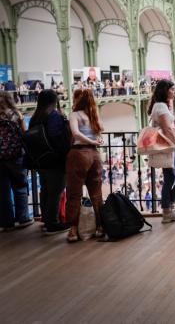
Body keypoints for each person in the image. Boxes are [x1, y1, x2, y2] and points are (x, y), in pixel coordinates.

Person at [26, 89, 71, 235]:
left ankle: (46, 220)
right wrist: (64, 152)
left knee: (45, 190)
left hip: (40, 160)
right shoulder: (53, 116)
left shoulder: (35, 117)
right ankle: (52, 223)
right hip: (54, 160)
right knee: (56, 191)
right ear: (54, 101)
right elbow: (56, 136)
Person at [65, 89, 104, 242]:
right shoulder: (93, 115)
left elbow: (75, 133)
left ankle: (73, 230)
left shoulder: (75, 115)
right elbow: (101, 129)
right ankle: (100, 227)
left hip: (79, 154)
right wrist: (94, 141)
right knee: (96, 194)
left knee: (74, 193)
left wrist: (89, 140)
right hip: (95, 156)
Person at [148, 79, 175, 224]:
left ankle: (168, 209)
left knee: (171, 179)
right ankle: (167, 209)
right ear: (165, 91)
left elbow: (169, 125)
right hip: (169, 147)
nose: (174, 91)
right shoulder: (161, 106)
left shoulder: (160, 106)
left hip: (168, 146)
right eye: (172, 89)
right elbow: (167, 129)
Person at [0, 92, 33, 231]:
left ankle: (6, 222)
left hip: (0, 158)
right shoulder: (17, 114)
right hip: (16, 156)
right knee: (20, 187)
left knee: (3, 191)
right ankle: (23, 218)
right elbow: (24, 134)